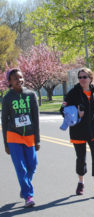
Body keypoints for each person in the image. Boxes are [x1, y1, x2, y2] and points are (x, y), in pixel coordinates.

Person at [61, 67, 94, 198]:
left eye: (84, 77)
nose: (82, 79)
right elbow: (62, 110)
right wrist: (77, 113)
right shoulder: (73, 93)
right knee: (81, 159)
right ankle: (81, 182)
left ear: (90, 78)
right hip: (78, 131)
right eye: (80, 77)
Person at [1, 68, 40, 208]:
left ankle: (24, 188)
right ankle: (29, 195)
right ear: (10, 82)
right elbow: (4, 121)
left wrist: (38, 140)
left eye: (21, 77)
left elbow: (35, 118)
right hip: (13, 136)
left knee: (33, 165)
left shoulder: (31, 95)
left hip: (29, 136)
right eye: (15, 78)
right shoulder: (7, 98)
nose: (19, 80)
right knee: (21, 168)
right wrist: (5, 143)